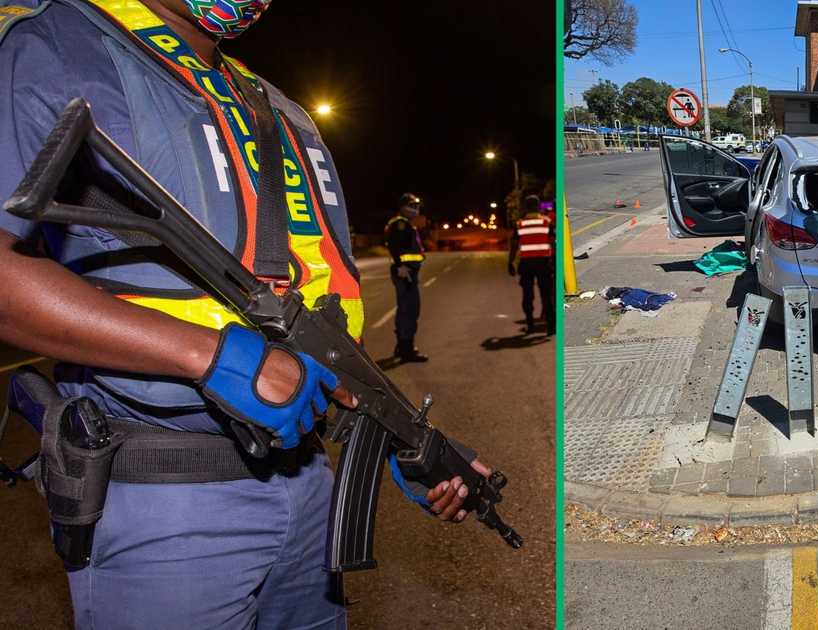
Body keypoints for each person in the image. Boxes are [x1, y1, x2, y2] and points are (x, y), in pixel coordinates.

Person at [0, 1, 485, 628]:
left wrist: (406, 440)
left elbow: (318, 318)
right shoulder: (59, 43)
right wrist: (208, 355)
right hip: (167, 499)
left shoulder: (282, 113)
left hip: (307, 485)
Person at [385, 193, 429, 362]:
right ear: (403, 207)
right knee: (409, 310)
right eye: (413, 205)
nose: (416, 209)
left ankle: (402, 346)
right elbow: (393, 245)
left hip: (407, 272)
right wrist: (400, 266)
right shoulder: (400, 224)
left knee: (406, 308)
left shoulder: (406, 224)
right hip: (405, 273)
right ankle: (406, 350)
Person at [508, 194, 556, 335]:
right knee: (546, 295)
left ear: (526, 207)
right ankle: (551, 327)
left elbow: (514, 246)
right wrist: (553, 261)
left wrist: (510, 262)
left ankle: (530, 325)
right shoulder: (546, 222)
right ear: (538, 206)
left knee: (527, 295)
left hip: (526, 263)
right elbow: (552, 243)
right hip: (543, 262)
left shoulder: (520, 224)